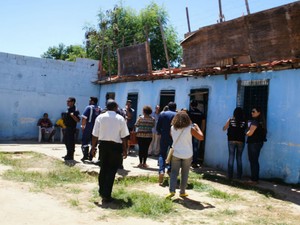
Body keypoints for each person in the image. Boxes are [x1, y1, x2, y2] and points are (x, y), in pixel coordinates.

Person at [90, 99, 129, 203]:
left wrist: (93, 148)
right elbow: (124, 136)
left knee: (103, 168)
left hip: (103, 146)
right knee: (112, 170)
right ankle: (106, 194)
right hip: (116, 147)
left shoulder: (100, 117)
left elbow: (95, 134)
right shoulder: (120, 118)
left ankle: (102, 190)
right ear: (116, 107)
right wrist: (125, 149)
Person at [166, 111, 204, 199]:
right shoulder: (190, 129)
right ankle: (182, 192)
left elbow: (172, 136)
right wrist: (197, 127)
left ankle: (172, 190)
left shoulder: (172, 128)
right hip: (187, 154)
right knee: (185, 173)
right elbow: (201, 137)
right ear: (187, 119)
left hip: (176, 153)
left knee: (174, 172)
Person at [223, 107, 247, 180]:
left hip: (231, 140)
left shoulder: (230, 120)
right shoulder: (244, 121)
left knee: (231, 157)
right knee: (239, 158)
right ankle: (239, 176)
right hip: (241, 141)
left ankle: (230, 176)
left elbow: (224, 128)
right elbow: (246, 131)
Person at [156, 101, 177, 185]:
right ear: (175, 107)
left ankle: (161, 170)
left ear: (168, 106)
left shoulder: (163, 114)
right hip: (174, 137)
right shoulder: (177, 115)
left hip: (164, 135)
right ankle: (170, 169)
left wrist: (160, 133)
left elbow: (158, 126)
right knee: (173, 154)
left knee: (162, 153)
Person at [246, 106, 267, 185]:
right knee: (255, 161)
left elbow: (250, 133)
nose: (252, 113)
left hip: (253, 143)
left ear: (259, 113)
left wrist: (246, 132)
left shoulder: (255, 122)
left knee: (253, 161)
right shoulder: (261, 122)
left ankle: (254, 179)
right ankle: (255, 178)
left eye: (253, 111)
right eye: (252, 111)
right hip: (258, 143)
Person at [81, 97, 101, 161]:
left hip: (89, 126)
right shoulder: (100, 108)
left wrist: (83, 126)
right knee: (94, 143)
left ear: (92, 101)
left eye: (90, 101)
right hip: (97, 127)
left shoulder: (89, 107)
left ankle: (85, 156)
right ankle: (91, 156)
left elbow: (84, 118)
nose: (89, 102)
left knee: (85, 141)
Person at [188, 99, 206, 168]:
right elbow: (203, 124)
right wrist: (201, 132)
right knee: (195, 147)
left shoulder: (189, 113)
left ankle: (188, 161)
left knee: (189, 146)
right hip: (197, 131)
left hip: (189, 131)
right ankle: (195, 162)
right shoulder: (201, 113)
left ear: (191, 105)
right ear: (197, 105)